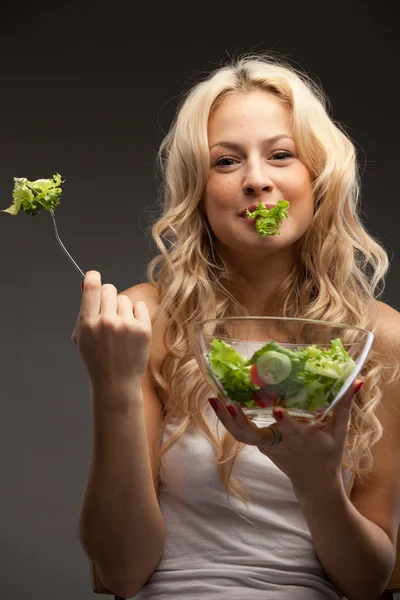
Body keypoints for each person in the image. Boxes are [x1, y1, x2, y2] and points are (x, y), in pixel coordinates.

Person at [72, 53, 400, 600]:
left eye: (281, 155)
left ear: (318, 177)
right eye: (226, 162)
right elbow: (120, 575)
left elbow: (370, 585)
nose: (256, 181)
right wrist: (115, 389)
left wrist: (317, 482)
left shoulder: (380, 340)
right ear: (197, 193)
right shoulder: (144, 320)